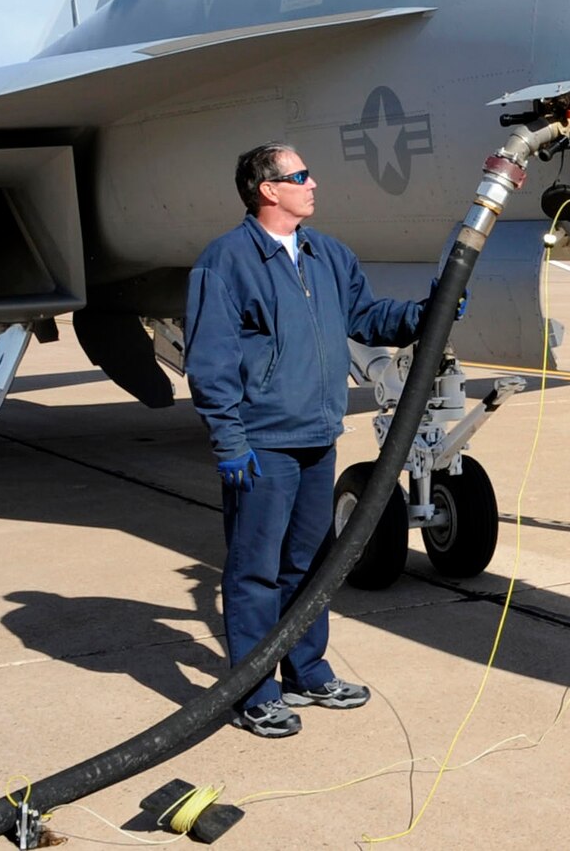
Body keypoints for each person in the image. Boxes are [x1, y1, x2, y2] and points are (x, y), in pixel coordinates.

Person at [184, 143, 423, 738]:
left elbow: (367, 317)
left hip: (319, 434)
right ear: (268, 189)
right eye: (301, 175)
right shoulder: (226, 261)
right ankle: (253, 689)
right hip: (262, 443)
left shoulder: (327, 254)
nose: (313, 183)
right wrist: (229, 439)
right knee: (254, 572)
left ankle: (306, 671)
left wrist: (426, 311)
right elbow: (209, 363)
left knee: (311, 564)